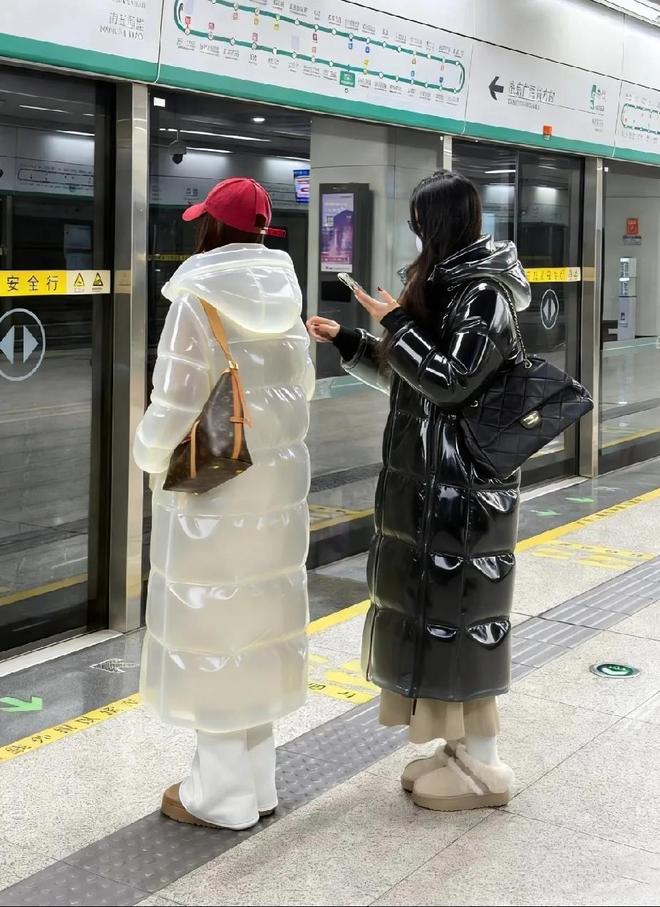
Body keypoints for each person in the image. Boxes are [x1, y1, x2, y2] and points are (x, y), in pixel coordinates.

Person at [307, 170, 530, 812]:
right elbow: (414, 379)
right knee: (438, 619)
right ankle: (457, 750)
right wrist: (354, 339)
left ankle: (485, 767)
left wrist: (399, 322)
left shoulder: (483, 293)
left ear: (437, 223)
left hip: (466, 488)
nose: (413, 232)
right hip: (432, 483)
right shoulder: (448, 285)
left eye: (418, 221)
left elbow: (451, 380)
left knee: (465, 618)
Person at [134, 177, 315, 830]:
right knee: (258, 631)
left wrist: (148, 454)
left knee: (213, 632)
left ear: (211, 227)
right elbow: (303, 386)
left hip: (215, 486)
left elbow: (176, 399)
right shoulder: (286, 294)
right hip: (275, 488)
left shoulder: (197, 297)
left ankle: (220, 795)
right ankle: (258, 783)